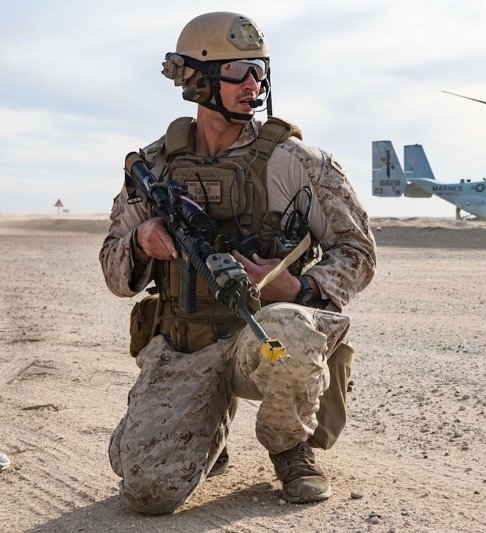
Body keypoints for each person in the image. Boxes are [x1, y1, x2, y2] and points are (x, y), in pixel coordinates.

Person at [100, 12, 376, 514]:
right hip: (187, 344)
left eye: (260, 70)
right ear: (199, 80)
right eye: (240, 70)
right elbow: (114, 272)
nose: (255, 84)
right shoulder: (154, 167)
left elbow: (358, 252)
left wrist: (297, 289)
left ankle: (291, 449)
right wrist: (141, 241)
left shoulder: (297, 163)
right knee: (146, 491)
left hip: (262, 338)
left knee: (290, 333)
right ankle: (203, 433)